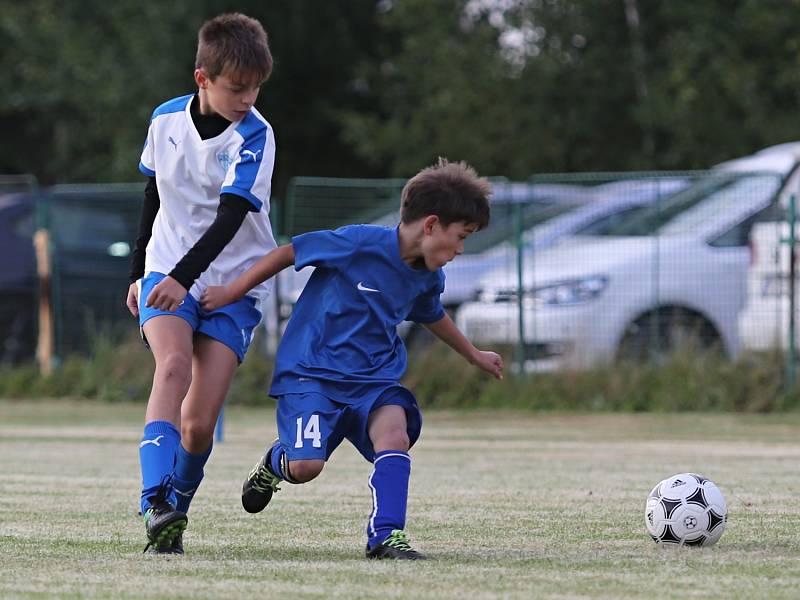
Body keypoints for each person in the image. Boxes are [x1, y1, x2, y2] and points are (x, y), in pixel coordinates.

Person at [201, 158, 504, 560]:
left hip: (374, 381)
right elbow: (286, 254)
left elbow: (431, 314)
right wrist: (231, 292)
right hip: (312, 376)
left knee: (393, 436)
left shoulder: (428, 276)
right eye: (461, 236)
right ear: (430, 225)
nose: (461, 250)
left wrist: (473, 354)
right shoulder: (359, 243)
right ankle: (276, 462)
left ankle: (385, 535)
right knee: (307, 467)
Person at [125, 13, 277, 555]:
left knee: (198, 424)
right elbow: (151, 196)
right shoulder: (164, 120)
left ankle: (175, 514)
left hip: (233, 287)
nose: (248, 97)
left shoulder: (256, 134)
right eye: (237, 87)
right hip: (168, 270)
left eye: (257, 86)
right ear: (203, 79)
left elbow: (231, 216)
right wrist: (142, 273)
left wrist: (180, 277)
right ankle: (152, 501)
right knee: (172, 366)